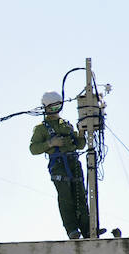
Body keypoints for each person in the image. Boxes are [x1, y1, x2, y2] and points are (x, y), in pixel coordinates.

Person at [30, 91, 91, 239]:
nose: (55, 111)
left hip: (73, 162)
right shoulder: (41, 128)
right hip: (58, 165)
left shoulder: (66, 125)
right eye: (52, 108)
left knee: (80, 196)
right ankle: (72, 229)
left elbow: (79, 145)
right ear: (45, 108)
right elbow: (33, 149)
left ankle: (87, 230)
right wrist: (50, 143)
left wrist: (81, 133)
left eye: (58, 107)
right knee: (66, 197)